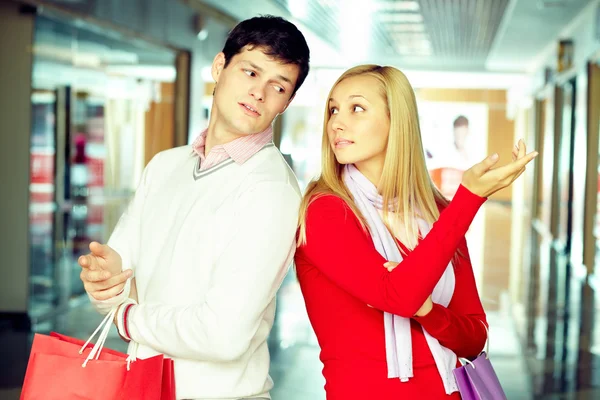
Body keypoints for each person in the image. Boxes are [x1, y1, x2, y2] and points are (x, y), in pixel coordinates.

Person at [78, 15, 310, 400]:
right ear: (219, 66)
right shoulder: (165, 166)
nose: (259, 93)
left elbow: (224, 334)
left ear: (287, 101)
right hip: (143, 387)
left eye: (278, 85)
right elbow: (116, 284)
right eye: (250, 72)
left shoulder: (271, 189)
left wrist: (128, 316)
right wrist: (104, 285)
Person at [295, 65, 537, 399]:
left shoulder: (435, 210)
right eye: (334, 109)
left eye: (357, 108)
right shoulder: (324, 210)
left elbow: (475, 338)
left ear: (398, 121)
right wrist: (468, 199)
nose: (336, 122)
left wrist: (429, 312)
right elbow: (398, 295)